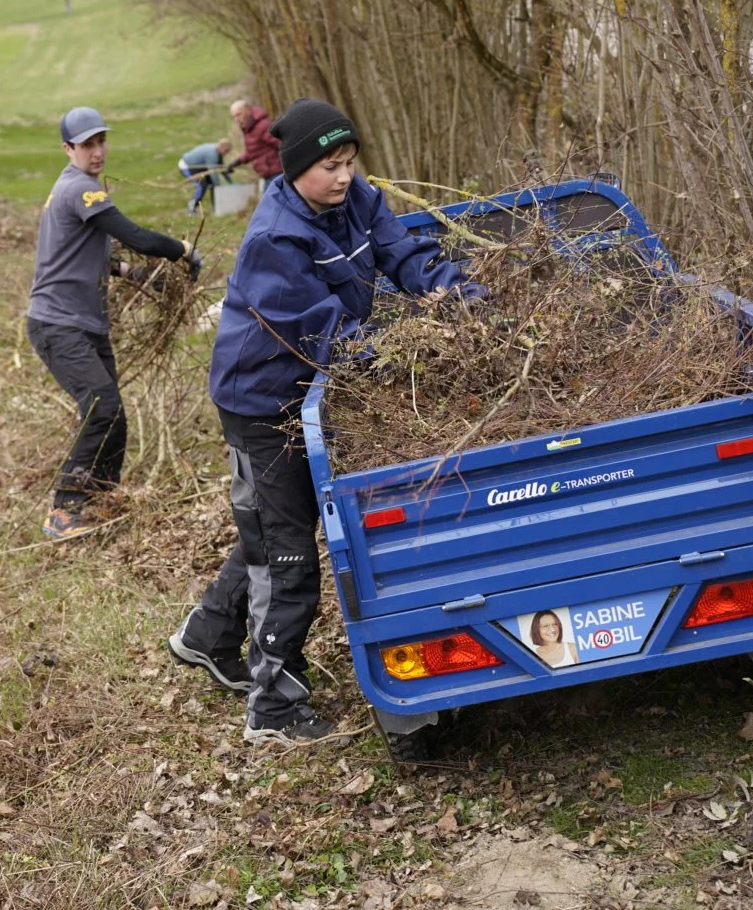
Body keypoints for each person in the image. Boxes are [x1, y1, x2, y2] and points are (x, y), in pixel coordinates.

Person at [168, 98, 485, 744]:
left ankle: (207, 636)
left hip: (305, 391)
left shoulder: (355, 200)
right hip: (261, 401)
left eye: (349, 162)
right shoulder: (273, 241)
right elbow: (333, 337)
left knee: (276, 523)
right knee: (286, 553)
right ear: (295, 170)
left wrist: (462, 299)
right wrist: (412, 360)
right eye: (329, 166)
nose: (343, 176)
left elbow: (405, 256)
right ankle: (274, 707)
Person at [28, 106, 204, 541]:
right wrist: (181, 249)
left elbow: (98, 255)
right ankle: (64, 509)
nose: (98, 151)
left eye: (101, 141)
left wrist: (137, 277)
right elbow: (135, 236)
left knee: (114, 416)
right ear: (68, 148)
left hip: (84, 323)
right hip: (58, 323)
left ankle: (101, 500)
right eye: (87, 144)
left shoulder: (72, 191)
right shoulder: (80, 190)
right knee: (101, 407)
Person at [227, 100, 282, 190]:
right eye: (234, 117)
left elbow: (282, 144)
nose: (236, 120)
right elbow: (254, 150)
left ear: (248, 110)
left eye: (238, 115)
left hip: (278, 174)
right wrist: (238, 161)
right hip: (268, 176)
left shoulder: (263, 126)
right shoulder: (249, 129)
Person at [179, 138, 234, 215]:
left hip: (198, 167)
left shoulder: (218, 152)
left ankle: (215, 208)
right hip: (187, 166)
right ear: (221, 147)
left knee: (211, 184)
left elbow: (221, 168)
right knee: (202, 185)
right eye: (226, 151)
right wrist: (218, 186)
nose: (226, 153)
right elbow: (213, 172)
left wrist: (231, 182)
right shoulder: (212, 154)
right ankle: (192, 208)